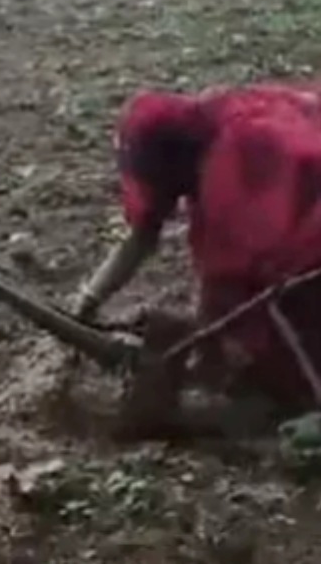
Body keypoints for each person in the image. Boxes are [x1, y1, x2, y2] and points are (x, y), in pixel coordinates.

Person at [73, 80, 321, 411]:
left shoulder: (236, 168)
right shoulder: (226, 122)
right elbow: (144, 234)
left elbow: (230, 277)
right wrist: (90, 298)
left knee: (263, 329)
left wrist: (209, 350)